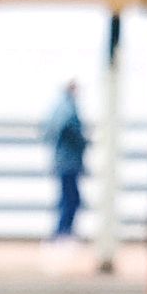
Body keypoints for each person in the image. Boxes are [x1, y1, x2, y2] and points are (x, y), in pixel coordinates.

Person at [41, 81, 89, 242]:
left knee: (67, 197)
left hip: (62, 160)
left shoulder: (58, 107)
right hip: (69, 161)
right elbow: (67, 128)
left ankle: (62, 232)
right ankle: (63, 233)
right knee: (71, 198)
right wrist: (81, 141)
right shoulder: (67, 107)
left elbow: (48, 131)